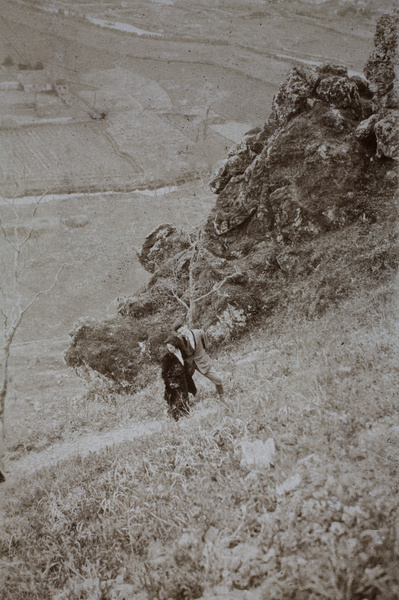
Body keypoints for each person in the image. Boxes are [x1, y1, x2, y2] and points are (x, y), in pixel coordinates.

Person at [174, 321, 224, 399]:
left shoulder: (199, 333)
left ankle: (221, 395)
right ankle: (179, 404)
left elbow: (206, 346)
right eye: (180, 332)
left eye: (183, 330)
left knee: (217, 379)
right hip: (189, 364)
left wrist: (202, 355)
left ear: (186, 326)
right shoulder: (179, 339)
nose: (183, 333)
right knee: (181, 383)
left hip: (202, 361)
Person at [161, 335, 197, 421]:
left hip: (183, 379)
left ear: (176, 346)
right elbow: (164, 373)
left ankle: (185, 415)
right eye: (168, 347)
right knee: (176, 399)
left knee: (184, 397)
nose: (169, 349)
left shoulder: (182, 352)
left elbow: (187, 363)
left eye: (171, 347)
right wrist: (171, 382)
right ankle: (175, 418)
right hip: (173, 382)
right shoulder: (166, 358)